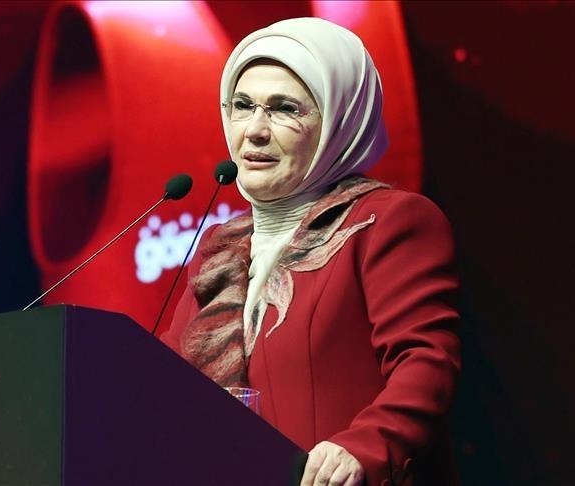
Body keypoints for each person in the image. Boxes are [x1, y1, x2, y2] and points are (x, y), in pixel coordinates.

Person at [160, 17, 461, 486]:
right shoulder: (220, 250)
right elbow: (162, 382)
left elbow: (426, 359)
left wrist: (365, 446)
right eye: (243, 105)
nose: (254, 131)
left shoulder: (387, 222)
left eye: (284, 109)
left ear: (341, 121)